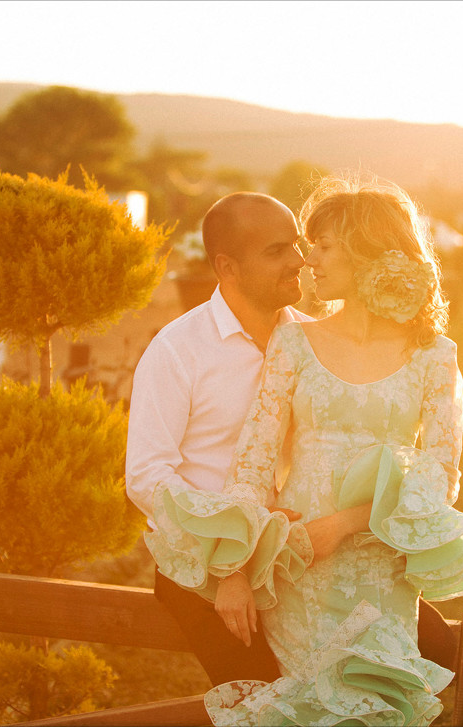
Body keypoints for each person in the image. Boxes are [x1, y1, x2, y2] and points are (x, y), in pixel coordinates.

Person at [144, 176, 463, 725]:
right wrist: (237, 565)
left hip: (378, 570)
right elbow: (252, 465)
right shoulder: (293, 343)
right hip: (294, 569)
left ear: (367, 252)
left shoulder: (434, 356)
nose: (306, 259)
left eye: (322, 245)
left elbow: (439, 476)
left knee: (374, 709)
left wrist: (343, 524)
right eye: (298, 246)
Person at [126, 191, 310, 685]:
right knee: (265, 703)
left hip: (301, 551)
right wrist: (228, 561)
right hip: (202, 565)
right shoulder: (177, 351)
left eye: (297, 244)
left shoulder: (316, 342)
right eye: (277, 250)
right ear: (227, 268)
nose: (299, 259)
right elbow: (146, 476)